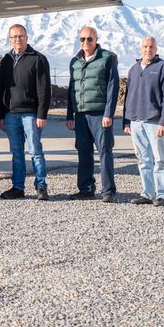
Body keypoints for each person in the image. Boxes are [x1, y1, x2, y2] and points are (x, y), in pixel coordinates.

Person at [0, 24, 51, 200]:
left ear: (27, 38)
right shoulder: (5, 60)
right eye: (14, 37)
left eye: (20, 36)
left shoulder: (38, 59)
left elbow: (44, 89)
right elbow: (2, 89)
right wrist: (1, 115)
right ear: (10, 39)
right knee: (16, 152)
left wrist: (42, 114)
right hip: (11, 114)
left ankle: (41, 186)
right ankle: (18, 187)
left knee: (35, 150)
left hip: (31, 114)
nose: (17, 40)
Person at [66, 26, 120, 203]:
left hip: (100, 114)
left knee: (105, 151)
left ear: (96, 39)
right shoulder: (74, 61)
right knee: (83, 152)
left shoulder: (107, 58)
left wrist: (108, 114)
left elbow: (113, 87)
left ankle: (108, 191)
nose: (86, 42)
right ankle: (86, 189)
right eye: (82, 39)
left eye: (89, 39)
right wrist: (69, 115)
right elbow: (72, 89)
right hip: (80, 115)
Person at [123, 37, 164, 207]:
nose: (148, 49)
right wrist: (126, 122)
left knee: (159, 159)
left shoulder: (163, 68)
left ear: (156, 48)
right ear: (140, 48)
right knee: (143, 159)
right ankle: (147, 193)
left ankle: (162, 195)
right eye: (145, 46)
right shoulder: (133, 69)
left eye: (151, 47)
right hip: (136, 122)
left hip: (154, 121)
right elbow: (127, 97)